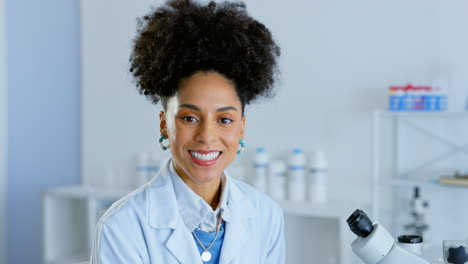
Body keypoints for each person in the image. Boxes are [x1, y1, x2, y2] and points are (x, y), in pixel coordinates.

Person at [90, 0, 283, 263]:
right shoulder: (121, 227)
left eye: (224, 119)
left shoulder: (267, 216)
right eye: (189, 117)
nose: (207, 135)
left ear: (242, 128)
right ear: (164, 124)